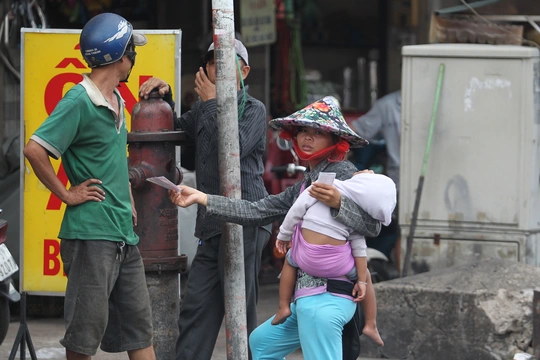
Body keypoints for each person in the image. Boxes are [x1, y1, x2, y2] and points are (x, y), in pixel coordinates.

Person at [169, 96, 382, 360]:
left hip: (330, 295)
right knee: (261, 344)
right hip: (304, 295)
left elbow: (373, 226)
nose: (307, 137)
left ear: (335, 142)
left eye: (318, 133)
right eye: (303, 130)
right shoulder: (306, 183)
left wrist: (340, 202)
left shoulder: (345, 173)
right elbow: (257, 210)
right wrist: (202, 198)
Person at [23, 13, 155, 360]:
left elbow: (110, 157)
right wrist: (67, 194)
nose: (133, 58)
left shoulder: (117, 101)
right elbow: (34, 149)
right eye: (131, 50)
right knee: (84, 338)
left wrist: (125, 191)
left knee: (140, 330)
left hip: (123, 233)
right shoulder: (78, 101)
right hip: (91, 236)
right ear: (121, 55)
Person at [139, 39, 271, 360]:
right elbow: (175, 129)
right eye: (213, 63)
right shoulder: (202, 109)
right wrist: (165, 97)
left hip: (245, 221)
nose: (219, 69)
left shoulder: (253, 109)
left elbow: (233, 149)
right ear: (205, 69)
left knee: (241, 311)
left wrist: (211, 103)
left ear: (245, 71)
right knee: (196, 308)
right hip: (212, 224)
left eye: (227, 63)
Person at [273, 171, 396, 347]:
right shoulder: (353, 211)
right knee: (366, 274)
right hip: (338, 267)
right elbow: (359, 249)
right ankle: (370, 324)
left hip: (305, 259)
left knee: (289, 261)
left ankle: (283, 306)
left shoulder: (323, 185)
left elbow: (296, 211)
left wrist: (284, 235)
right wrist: (361, 280)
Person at [352, 90, 401, 260]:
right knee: (396, 227)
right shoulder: (388, 105)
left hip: (432, 181)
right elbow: (355, 131)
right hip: (397, 181)